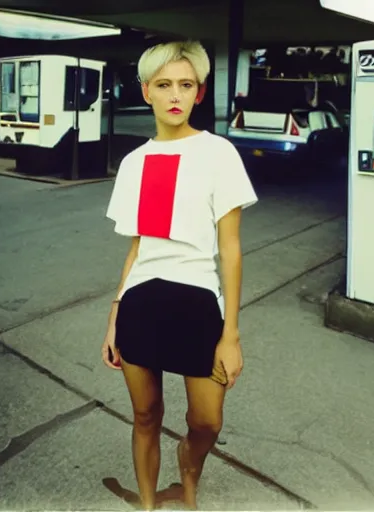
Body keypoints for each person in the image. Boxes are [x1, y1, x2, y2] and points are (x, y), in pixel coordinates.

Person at [101, 40, 258, 510]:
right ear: (146, 91)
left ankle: (188, 466)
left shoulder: (218, 153)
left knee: (207, 421)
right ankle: (149, 503)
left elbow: (230, 250)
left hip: (196, 303)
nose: (175, 95)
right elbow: (137, 248)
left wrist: (230, 333)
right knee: (145, 414)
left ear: (199, 93)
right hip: (141, 304)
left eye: (185, 85)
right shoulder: (134, 163)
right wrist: (114, 315)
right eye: (164, 85)